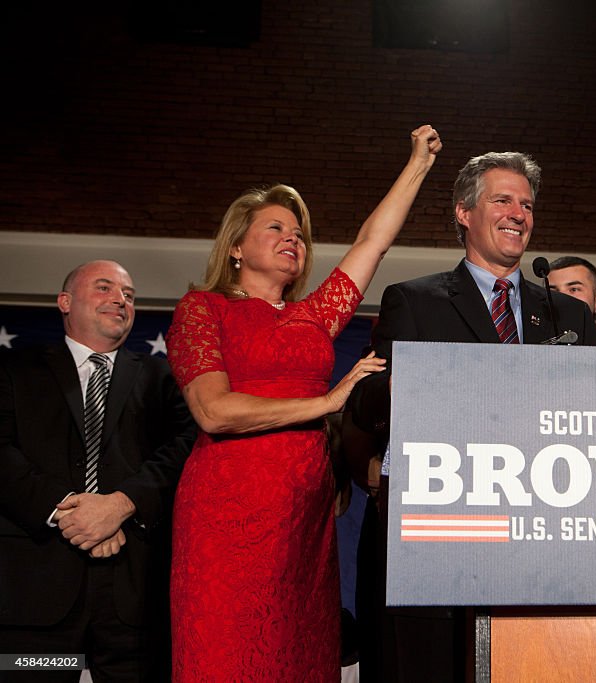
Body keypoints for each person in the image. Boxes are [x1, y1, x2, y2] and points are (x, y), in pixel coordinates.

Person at [165, 124, 442, 681]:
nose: (293, 238)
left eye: (299, 232)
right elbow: (214, 411)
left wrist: (417, 166)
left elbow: (372, 243)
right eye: (275, 227)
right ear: (237, 246)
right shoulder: (203, 310)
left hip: (303, 520)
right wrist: (328, 401)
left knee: (298, 658)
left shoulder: (312, 317)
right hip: (226, 516)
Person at [347, 151, 596, 683]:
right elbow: (366, 404)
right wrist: (410, 382)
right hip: (441, 527)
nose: (519, 213)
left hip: (542, 528)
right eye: (503, 200)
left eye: (527, 204)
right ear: (464, 212)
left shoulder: (567, 313)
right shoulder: (414, 301)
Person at [0, 260, 196, 682]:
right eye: (105, 288)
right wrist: (69, 510)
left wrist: (122, 504)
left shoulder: (162, 377)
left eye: (128, 295)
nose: (120, 300)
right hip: (34, 597)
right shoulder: (13, 370)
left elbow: (186, 448)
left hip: (134, 599)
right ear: (65, 302)